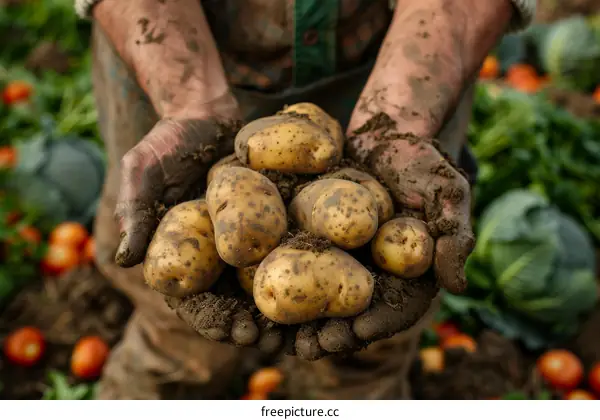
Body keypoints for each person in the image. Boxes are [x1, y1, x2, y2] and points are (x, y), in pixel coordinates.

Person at [75, 0, 537, 399]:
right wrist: (188, 104)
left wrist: (398, 119)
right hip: (169, 60)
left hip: (409, 72)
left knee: (370, 346)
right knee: (173, 330)